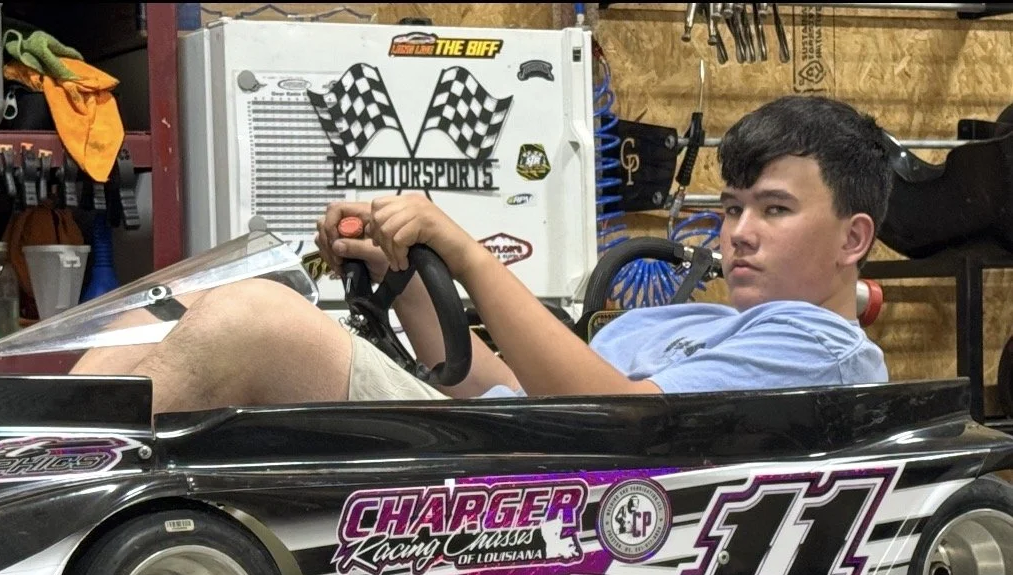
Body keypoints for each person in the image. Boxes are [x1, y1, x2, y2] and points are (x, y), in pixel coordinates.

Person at [71, 94, 890, 412]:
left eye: (774, 210)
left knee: (251, 321)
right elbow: (487, 383)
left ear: (854, 237)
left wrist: (460, 246)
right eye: (735, 206)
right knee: (160, 315)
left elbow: (615, 425)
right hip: (499, 479)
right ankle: (16, 495)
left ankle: (32, 536)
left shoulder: (821, 347)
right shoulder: (672, 328)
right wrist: (405, 277)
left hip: (557, 516)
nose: (739, 231)